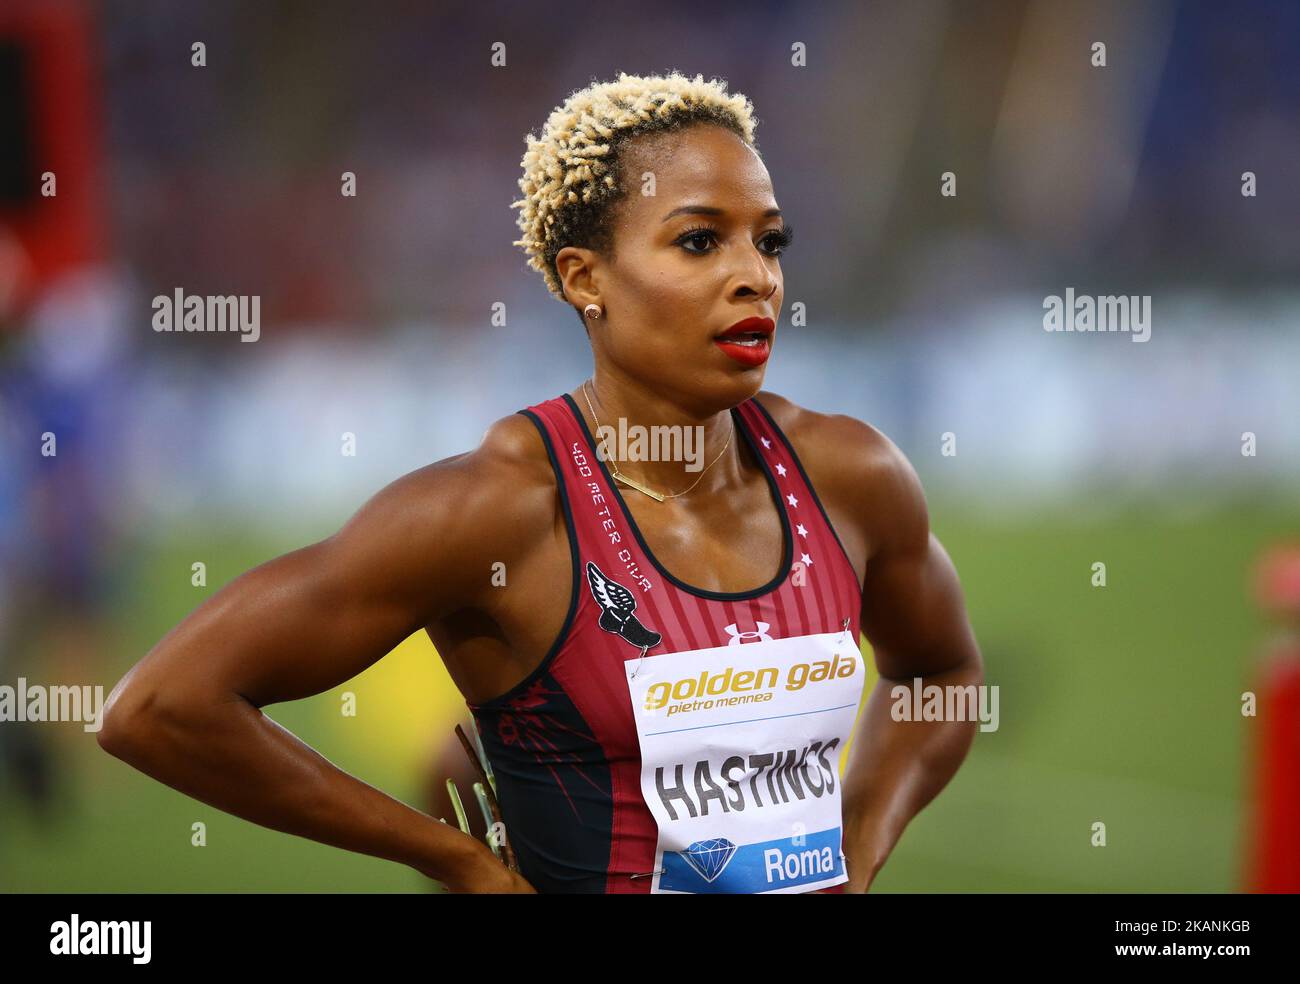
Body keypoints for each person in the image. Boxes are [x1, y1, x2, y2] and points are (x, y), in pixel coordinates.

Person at [99, 71, 982, 894]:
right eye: (700, 241)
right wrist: (459, 864)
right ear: (583, 278)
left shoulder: (851, 478)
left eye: (769, 240)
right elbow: (162, 707)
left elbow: (939, 670)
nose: (756, 276)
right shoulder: (501, 513)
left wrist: (857, 846)